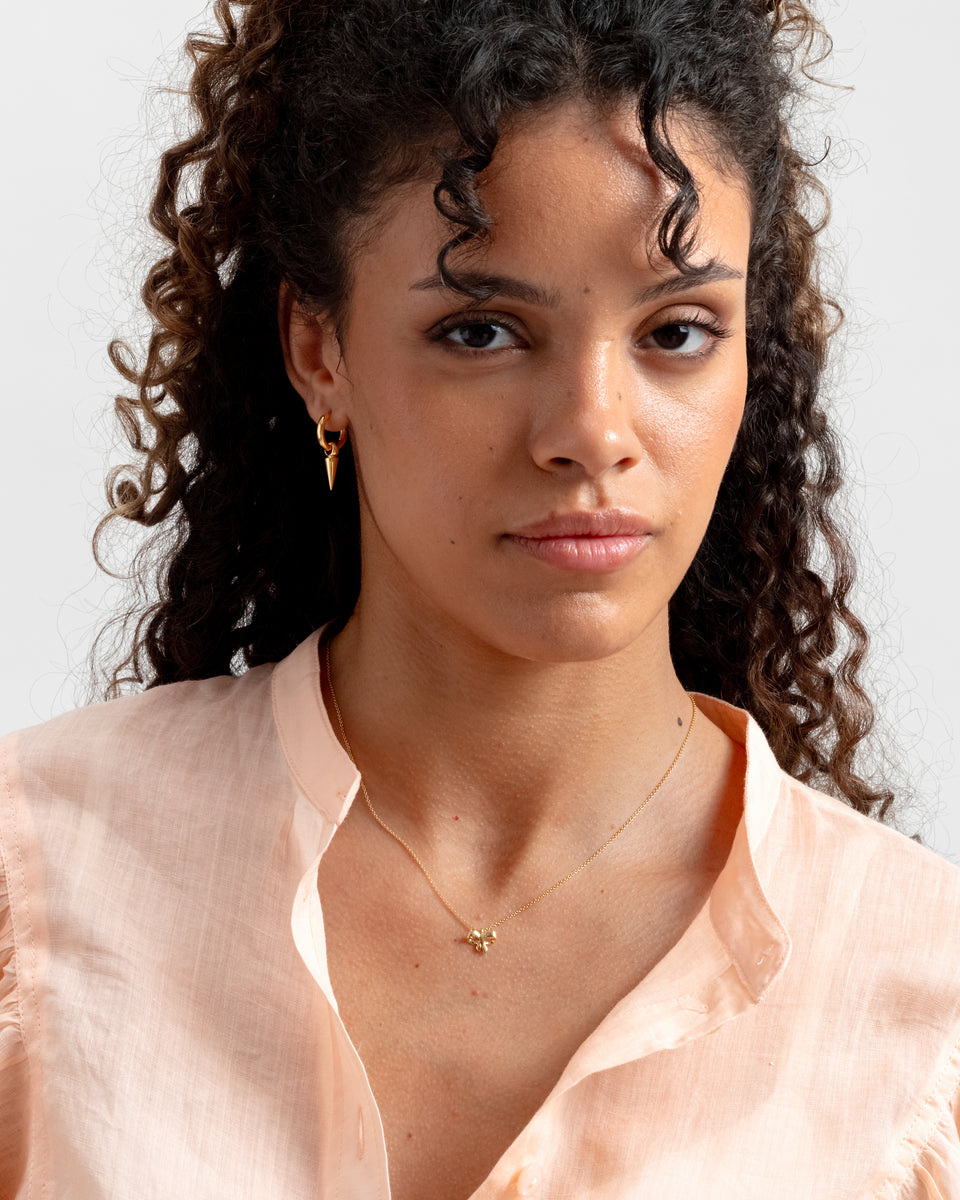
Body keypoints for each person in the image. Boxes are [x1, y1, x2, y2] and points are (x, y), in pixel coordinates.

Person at [2, 0, 959, 1196]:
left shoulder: (927, 1007)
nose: (592, 433)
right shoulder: (33, 881)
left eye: (676, 332)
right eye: (482, 330)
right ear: (321, 351)